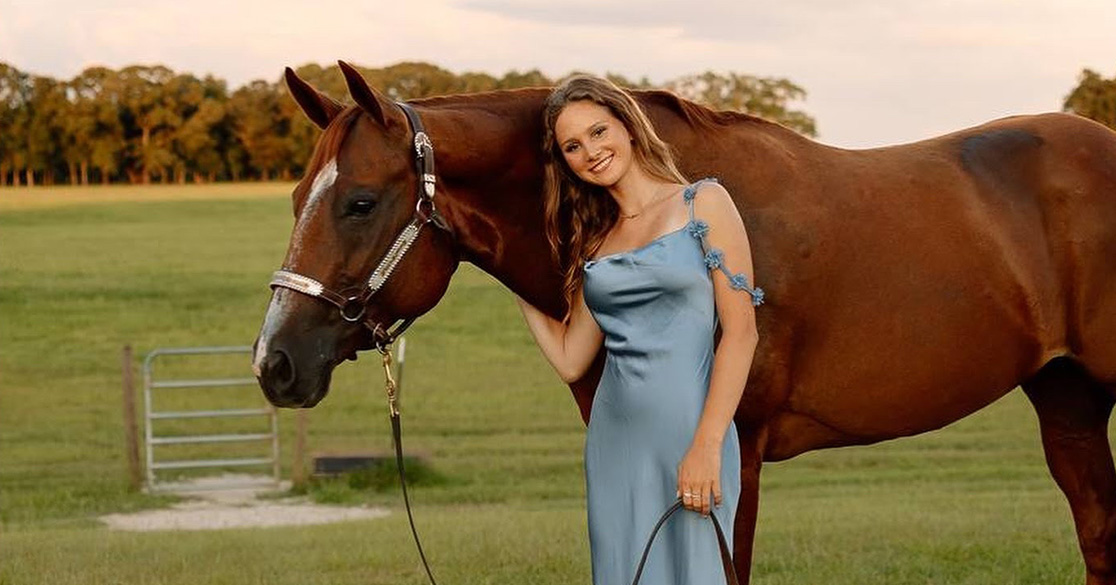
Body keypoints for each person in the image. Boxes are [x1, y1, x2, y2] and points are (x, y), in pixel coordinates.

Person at [515, 74, 763, 585]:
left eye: (599, 131)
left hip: (693, 434)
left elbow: (742, 335)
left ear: (628, 126)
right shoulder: (596, 243)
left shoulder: (703, 202)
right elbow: (570, 359)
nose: (592, 152)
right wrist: (509, 274)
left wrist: (706, 446)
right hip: (616, 445)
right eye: (573, 147)